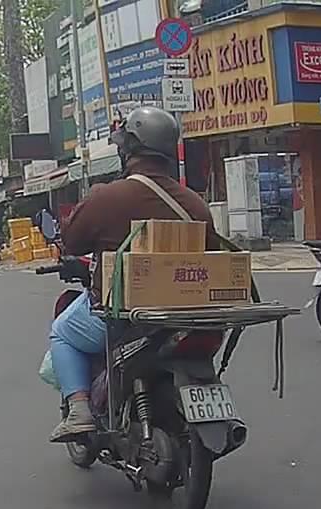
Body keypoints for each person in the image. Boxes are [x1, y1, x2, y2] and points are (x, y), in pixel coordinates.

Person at [48, 105, 227, 442]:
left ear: (129, 149)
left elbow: (72, 241)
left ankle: (80, 410)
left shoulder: (106, 197)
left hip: (125, 318)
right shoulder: (195, 204)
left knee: (62, 332)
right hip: (185, 316)